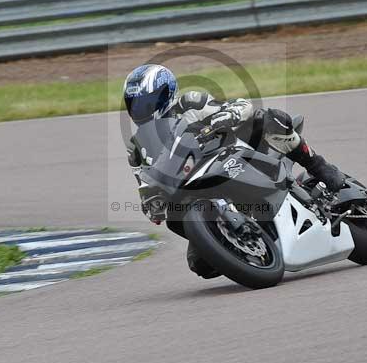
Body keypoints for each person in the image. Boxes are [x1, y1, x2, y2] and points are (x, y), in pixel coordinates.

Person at [123, 63, 346, 278]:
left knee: (271, 118)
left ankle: (320, 167)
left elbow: (242, 105)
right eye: (135, 104)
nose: (141, 110)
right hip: (192, 185)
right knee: (201, 264)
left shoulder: (190, 103)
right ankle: (247, 242)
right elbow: (144, 181)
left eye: (147, 103)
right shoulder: (137, 146)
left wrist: (226, 115)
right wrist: (151, 204)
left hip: (232, 154)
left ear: (167, 94)